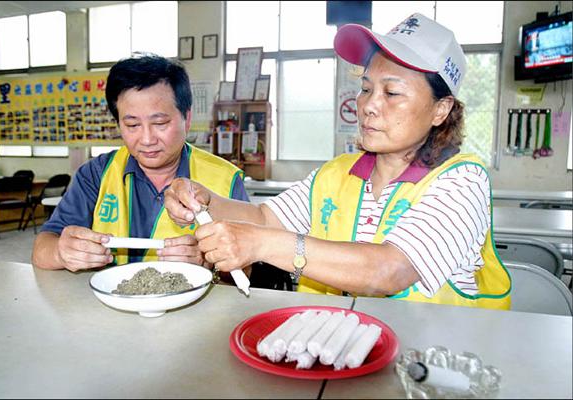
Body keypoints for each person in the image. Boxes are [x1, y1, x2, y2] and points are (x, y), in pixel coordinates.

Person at [164, 13, 511, 309]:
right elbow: (264, 218)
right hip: (340, 351)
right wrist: (206, 199)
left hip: (425, 370)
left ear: (441, 109)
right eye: (365, 88)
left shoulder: (462, 180)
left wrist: (258, 243)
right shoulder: (337, 174)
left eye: (391, 93)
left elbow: (388, 271)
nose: (369, 105)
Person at [32, 53, 248, 272]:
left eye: (160, 123)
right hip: (107, 303)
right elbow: (42, 250)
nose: (147, 139)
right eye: (132, 125)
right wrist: (62, 252)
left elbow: (248, 271)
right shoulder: (96, 175)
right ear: (118, 124)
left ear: (187, 118)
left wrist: (207, 262)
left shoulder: (225, 179)